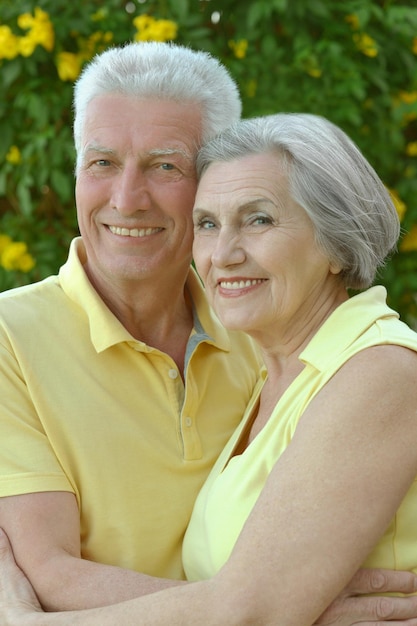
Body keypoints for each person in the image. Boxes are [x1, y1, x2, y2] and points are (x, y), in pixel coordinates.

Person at [2, 112, 417, 625]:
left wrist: (27, 623)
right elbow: (246, 600)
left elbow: (249, 611)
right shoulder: (273, 377)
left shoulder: (378, 370)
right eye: (207, 224)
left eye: (259, 219)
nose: (223, 254)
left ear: (333, 243)